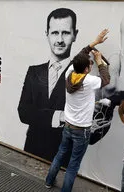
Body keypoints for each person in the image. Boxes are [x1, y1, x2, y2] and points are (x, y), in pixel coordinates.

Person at [44, 29, 111, 192]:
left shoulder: (69, 74)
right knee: (73, 164)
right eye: (90, 65)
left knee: (60, 154)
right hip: (82, 131)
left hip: (67, 126)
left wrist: (94, 43)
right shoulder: (88, 81)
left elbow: (79, 57)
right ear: (87, 69)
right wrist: (100, 61)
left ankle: (49, 182)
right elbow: (106, 79)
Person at [18, 8, 79, 164]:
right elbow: (23, 112)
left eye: (65, 33)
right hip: (32, 150)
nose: (59, 39)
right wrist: (59, 116)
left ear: (75, 35)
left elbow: (84, 126)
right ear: (47, 34)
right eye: (54, 33)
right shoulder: (34, 72)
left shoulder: (81, 76)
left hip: (63, 157)